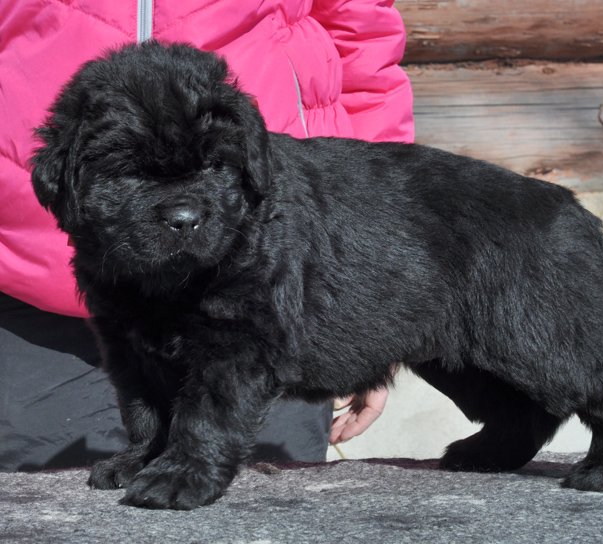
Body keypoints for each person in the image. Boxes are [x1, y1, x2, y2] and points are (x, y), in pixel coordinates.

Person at [0, 0, 414, 471]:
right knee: (53, 529)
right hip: (31, 286)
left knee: (257, 525)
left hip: (267, 278)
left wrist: (376, 294)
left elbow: (362, 44)